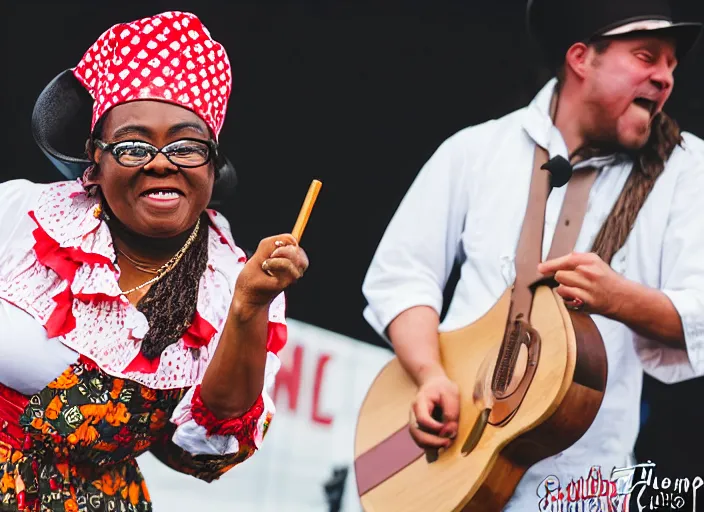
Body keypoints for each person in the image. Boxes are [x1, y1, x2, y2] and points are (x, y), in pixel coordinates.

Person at [362, 0, 704, 509]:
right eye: (646, 56)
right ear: (582, 58)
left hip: (582, 490)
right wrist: (430, 374)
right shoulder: (476, 150)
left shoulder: (687, 172)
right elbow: (400, 277)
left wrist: (617, 297)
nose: (665, 78)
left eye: (672, 66)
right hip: (443, 462)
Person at [0, 11, 308, 512]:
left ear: (211, 166)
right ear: (93, 162)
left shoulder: (229, 282)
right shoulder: (18, 219)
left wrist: (248, 307)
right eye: (133, 145)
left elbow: (197, 458)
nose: (161, 161)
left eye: (186, 145)